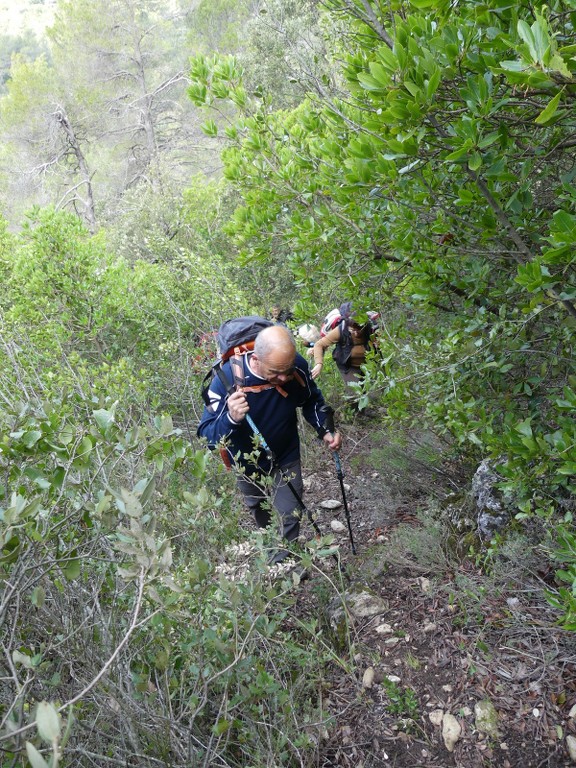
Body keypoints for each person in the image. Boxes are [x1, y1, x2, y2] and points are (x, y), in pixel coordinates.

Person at [197, 324, 342, 563]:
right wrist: (231, 418)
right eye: (275, 372)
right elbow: (207, 437)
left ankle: (285, 562)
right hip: (245, 464)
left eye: (287, 370)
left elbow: (311, 400)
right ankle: (272, 550)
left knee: (289, 513)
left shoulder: (296, 368)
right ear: (256, 359)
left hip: (285, 454)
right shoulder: (224, 380)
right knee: (260, 511)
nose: (284, 378)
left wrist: (324, 429)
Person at [311, 302, 373, 386]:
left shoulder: (371, 329)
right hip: (349, 367)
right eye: (352, 330)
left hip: (370, 365)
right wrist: (318, 364)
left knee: (376, 393)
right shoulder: (342, 329)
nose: (355, 333)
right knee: (355, 394)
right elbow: (319, 345)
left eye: (359, 330)